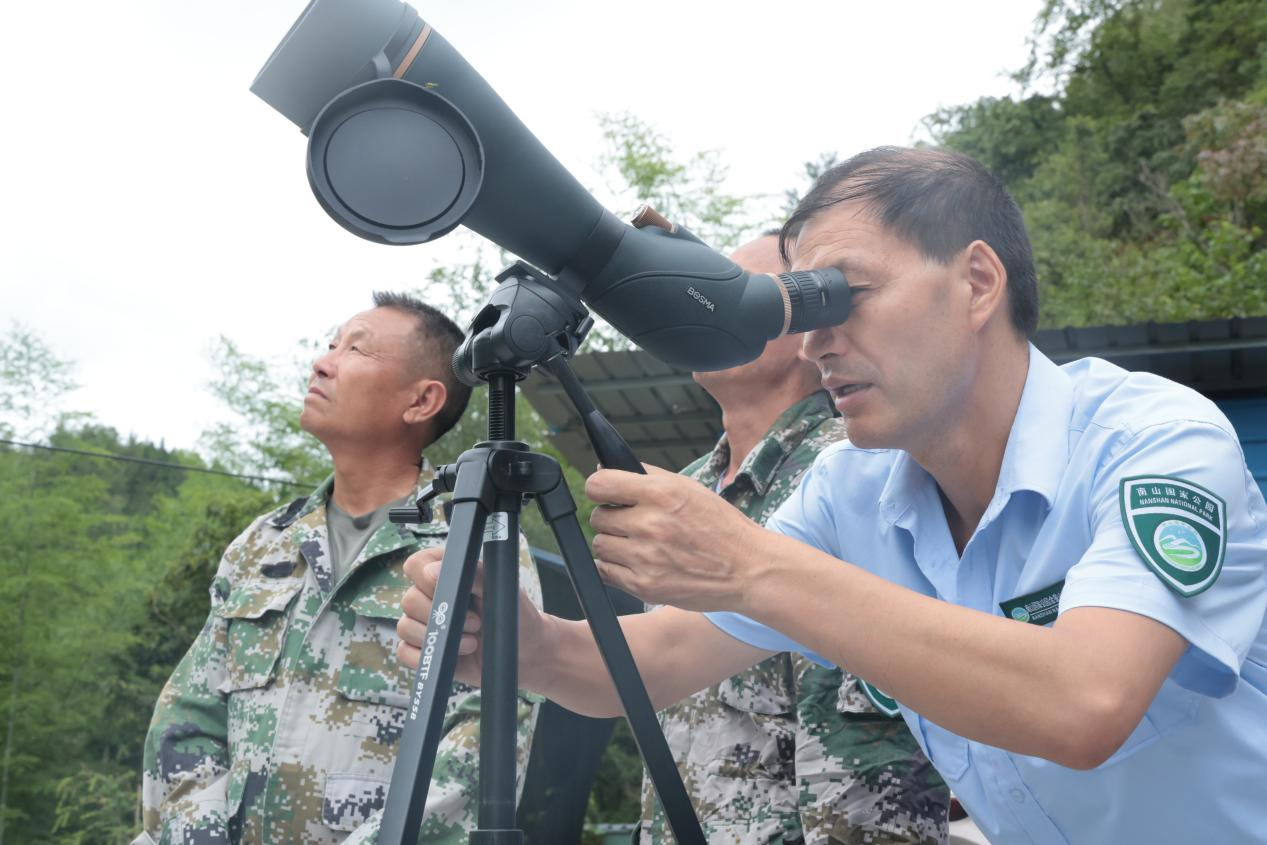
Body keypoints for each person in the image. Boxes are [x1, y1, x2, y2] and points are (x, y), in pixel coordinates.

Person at [398, 148, 1267, 844]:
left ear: (975, 281)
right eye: (799, 307)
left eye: (843, 293)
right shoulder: (851, 490)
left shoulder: (1152, 436)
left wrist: (749, 565)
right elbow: (656, 662)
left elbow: (1085, 702)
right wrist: (526, 642)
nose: (814, 340)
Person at [135, 292, 542, 845]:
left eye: (356, 350)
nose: (323, 362)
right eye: (330, 345)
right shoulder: (263, 545)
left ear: (422, 401)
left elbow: (484, 741)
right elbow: (188, 717)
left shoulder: (472, 545)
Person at [637, 233, 947, 845]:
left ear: (812, 329)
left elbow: (864, 738)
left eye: (738, 295)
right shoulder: (684, 494)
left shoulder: (859, 473)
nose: (710, 314)